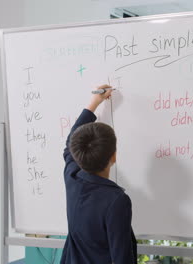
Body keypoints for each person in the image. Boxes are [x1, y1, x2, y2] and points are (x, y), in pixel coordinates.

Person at [60, 84, 137, 264]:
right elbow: (122, 258)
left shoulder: (73, 177)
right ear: (114, 156)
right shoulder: (116, 200)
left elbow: (70, 143)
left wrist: (93, 103)